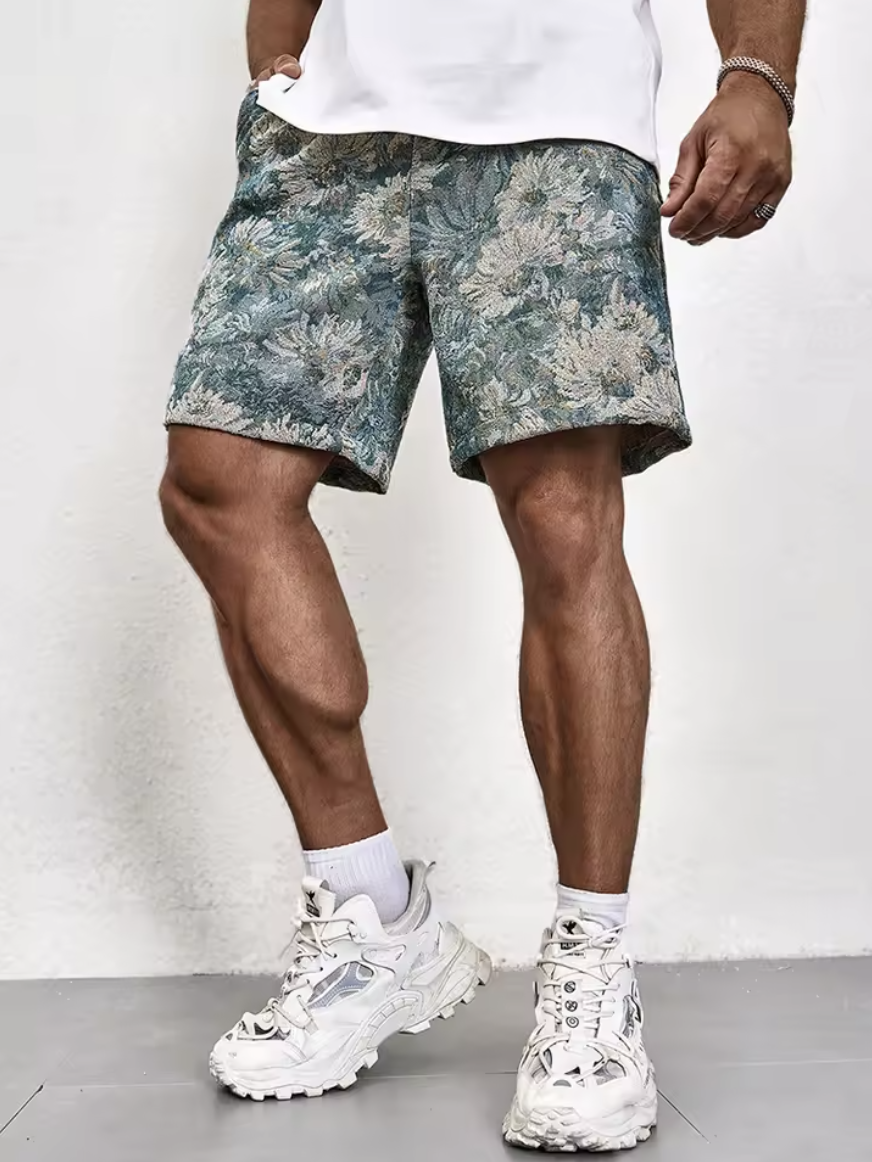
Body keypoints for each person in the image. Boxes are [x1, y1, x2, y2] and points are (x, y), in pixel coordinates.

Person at [160, 0, 805, 1149]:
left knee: (560, 517)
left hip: (557, 117)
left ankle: (589, 972)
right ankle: (373, 921)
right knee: (220, 481)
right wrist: (274, 60)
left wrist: (755, 72)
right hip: (329, 132)